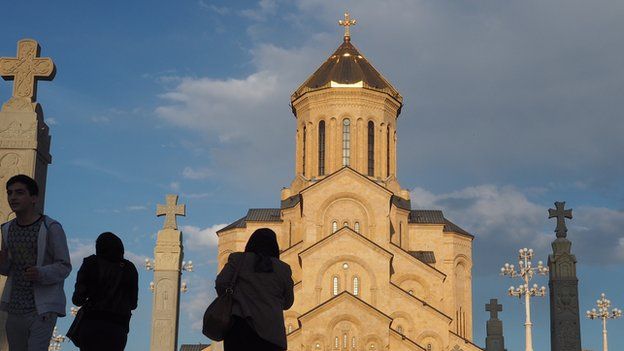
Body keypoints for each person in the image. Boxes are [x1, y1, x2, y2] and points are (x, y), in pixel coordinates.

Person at [0, 174, 71, 351]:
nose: (13, 197)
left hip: (42, 308)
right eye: (9, 193)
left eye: (19, 192)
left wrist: (41, 273)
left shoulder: (51, 227)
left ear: (33, 198)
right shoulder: (7, 229)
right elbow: (8, 268)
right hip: (15, 307)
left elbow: (64, 265)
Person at [216, 228, 294, 351]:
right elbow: (288, 302)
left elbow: (221, 283)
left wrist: (234, 299)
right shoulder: (282, 268)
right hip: (271, 333)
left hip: (240, 328)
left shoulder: (238, 260)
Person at [72, 232, 138, 351]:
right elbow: (133, 304)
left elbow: (77, 299)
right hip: (117, 328)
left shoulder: (91, 263)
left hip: (92, 324)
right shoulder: (129, 268)